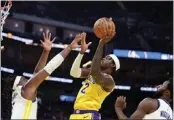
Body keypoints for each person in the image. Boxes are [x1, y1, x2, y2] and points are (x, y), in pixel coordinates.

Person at [11, 32, 83, 119]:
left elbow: (36, 74)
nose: (27, 79)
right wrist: (69, 47)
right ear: (19, 86)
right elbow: (49, 68)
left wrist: (46, 52)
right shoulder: (25, 92)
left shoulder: (21, 95)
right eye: (24, 79)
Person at [70, 31, 120, 119]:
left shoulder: (109, 81)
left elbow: (95, 73)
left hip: (89, 115)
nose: (103, 59)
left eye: (107, 58)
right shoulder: (92, 72)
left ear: (112, 65)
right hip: (75, 114)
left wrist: (101, 44)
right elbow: (73, 72)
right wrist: (81, 53)